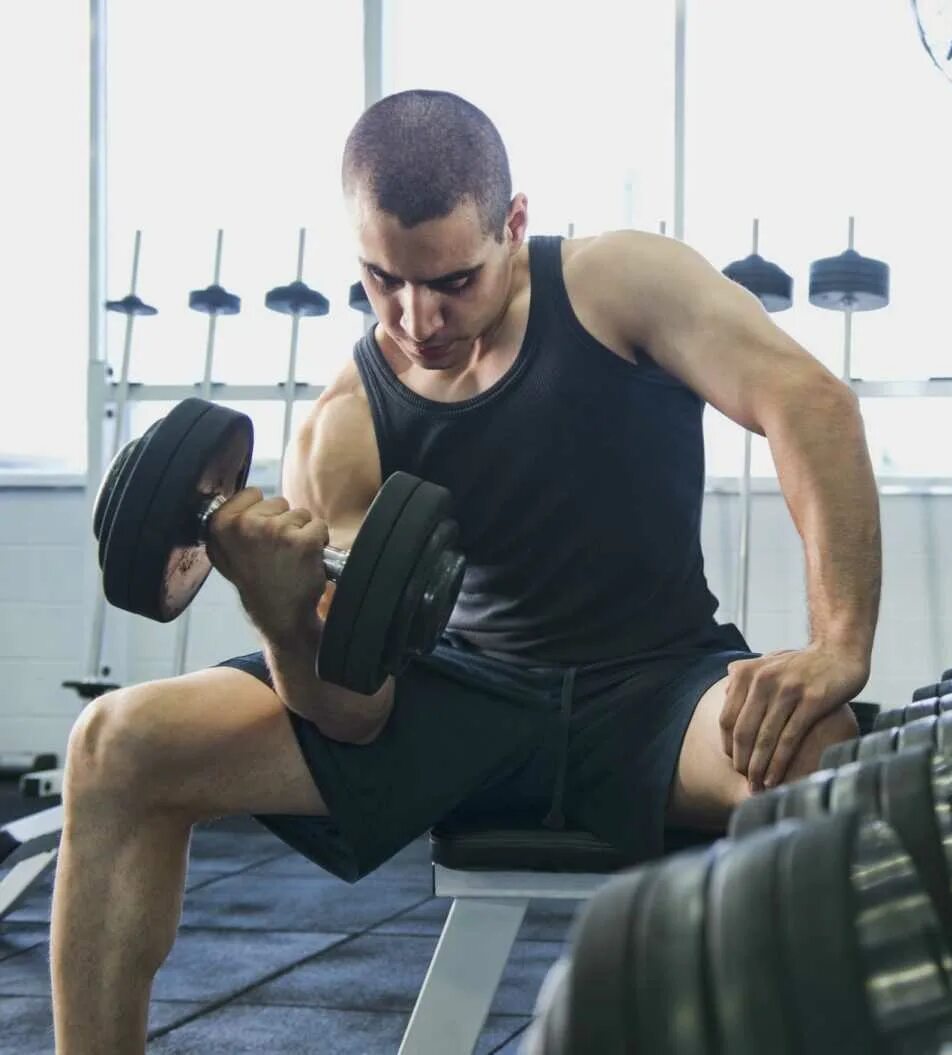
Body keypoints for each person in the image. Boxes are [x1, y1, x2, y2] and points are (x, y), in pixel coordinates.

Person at [51, 89, 881, 1053]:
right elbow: (356, 710)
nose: (417, 316)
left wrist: (839, 644)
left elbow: (809, 403)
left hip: (655, 682)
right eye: (382, 280)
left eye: (451, 280)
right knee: (117, 742)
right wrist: (282, 619)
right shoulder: (343, 424)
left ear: (514, 224)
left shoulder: (616, 284)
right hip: (452, 697)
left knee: (815, 749)